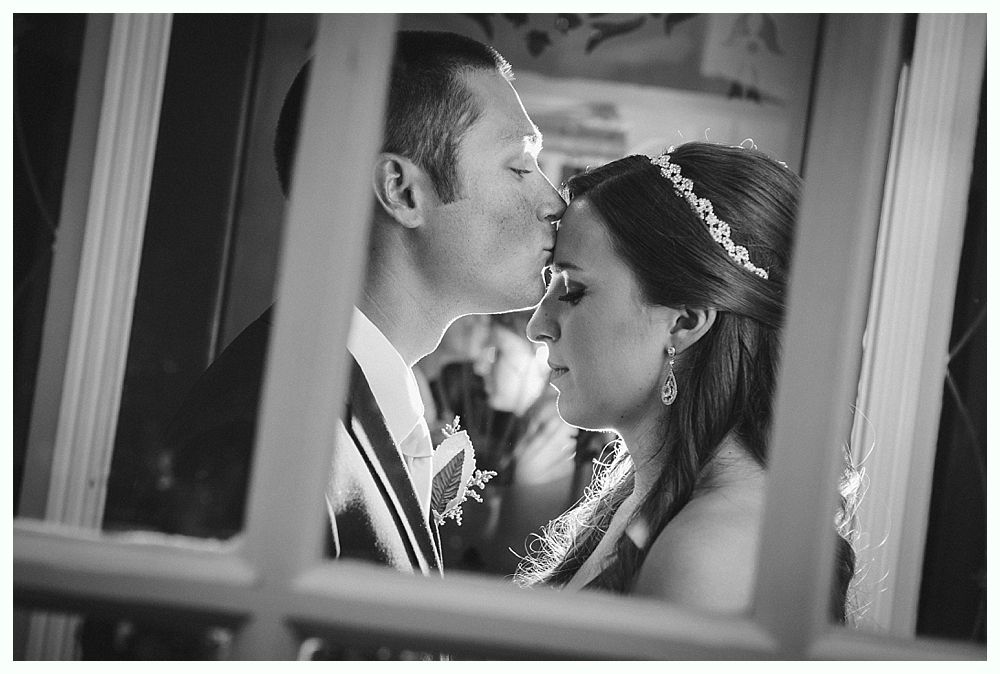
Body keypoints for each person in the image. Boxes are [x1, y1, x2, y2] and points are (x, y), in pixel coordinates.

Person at [163, 30, 564, 578]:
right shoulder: (266, 443)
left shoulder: (357, 398)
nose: (555, 201)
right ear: (402, 192)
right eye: (520, 167)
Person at [515, 142, 857, 621]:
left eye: (571, 291)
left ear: (684, 322)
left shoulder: (708, 555)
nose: (537, 325)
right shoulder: (650, 494)